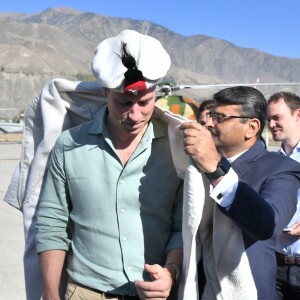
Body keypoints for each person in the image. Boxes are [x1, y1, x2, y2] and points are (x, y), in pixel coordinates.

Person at [35, 30, 183, 300]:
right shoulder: (70, 146)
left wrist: (171, 272)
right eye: (124, 103)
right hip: (86, 292)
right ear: (106, 92)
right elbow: (51, 226)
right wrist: (49, 294)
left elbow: (184, 224)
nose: (135, 114)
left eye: (144, 102)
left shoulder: (176, 147)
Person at [179, 86, 300, 299]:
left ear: (251, 127)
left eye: (219, 117)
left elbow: (267, 224)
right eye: (209, 116)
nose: (208, 123)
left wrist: (215, 168)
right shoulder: (194, 165)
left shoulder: (280, 168)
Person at [267, 91, 300, 299]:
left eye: (277, 118)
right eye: (268, 119)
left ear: (298, 115)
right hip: (275, 267)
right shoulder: (269, 162)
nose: (271, 125)